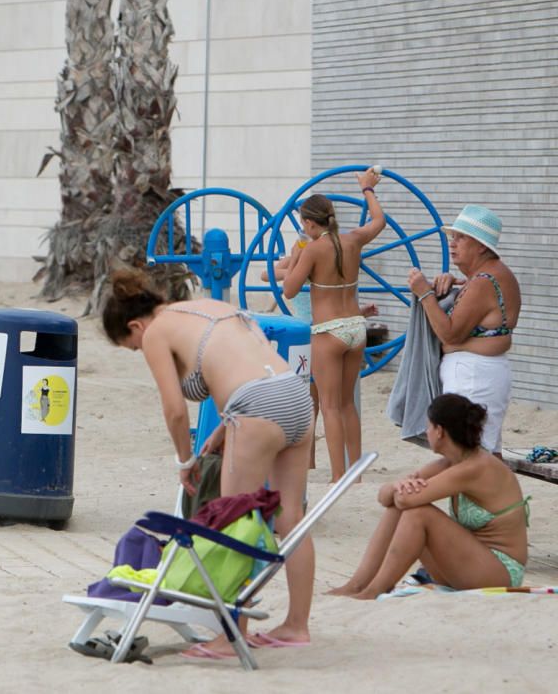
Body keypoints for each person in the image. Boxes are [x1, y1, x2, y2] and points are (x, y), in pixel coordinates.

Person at [102, 269, 314, 652]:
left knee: (233, 524)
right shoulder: (206, 306)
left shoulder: (156, 333)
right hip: (294, 394)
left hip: (256, 406)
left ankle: (231, 637)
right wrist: (221, 432)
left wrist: (185, 462)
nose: (140, 350)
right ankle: (297, 626)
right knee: (291, 519)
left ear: (135, 325)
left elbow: (175, 411)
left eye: (132, 345)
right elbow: (237, 367)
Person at [330, 393, 529, 599]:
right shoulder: (450, 462)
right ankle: (357, 584)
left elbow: (406, 500)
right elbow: (385, 498)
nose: (426, 432)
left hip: (500, 571)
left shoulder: (476, 467)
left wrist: (402, 491)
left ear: (440, 431)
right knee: (402, 508)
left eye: (429, 426)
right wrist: (398, 485)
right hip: (468, 563)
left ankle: (374, 590)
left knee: (418, 514)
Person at [283, 169, 386, 482]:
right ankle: (355, 473)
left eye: (305, 225)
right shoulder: (353, 240)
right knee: (347, 405)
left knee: (328, 406)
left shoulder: (313, 249)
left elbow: (289, 290)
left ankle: (338, 475)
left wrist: (294, 259)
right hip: (356, 327)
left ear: (311, 223)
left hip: (328, 331)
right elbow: (379, 222)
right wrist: (367, 190)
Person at [407, 205, 520, 456]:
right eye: (453, 237)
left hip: (474, 378)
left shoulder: (484, 282)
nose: (453, 244)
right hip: (479, 374)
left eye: (461, 238)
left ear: (481, 246)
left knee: (466, 453)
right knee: (483, 451)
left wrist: (424, 294)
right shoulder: (486, 277)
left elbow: (450, 334)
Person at [263, 249, 378, 471]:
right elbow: (266, 275)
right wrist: (298, 263)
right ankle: (314, 463)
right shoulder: (315, 258)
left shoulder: (320, 259)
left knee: (321, 404)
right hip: (314, 334)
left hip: (318, 334)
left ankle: (327, 467)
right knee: (318, 405)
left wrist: (303, 266)